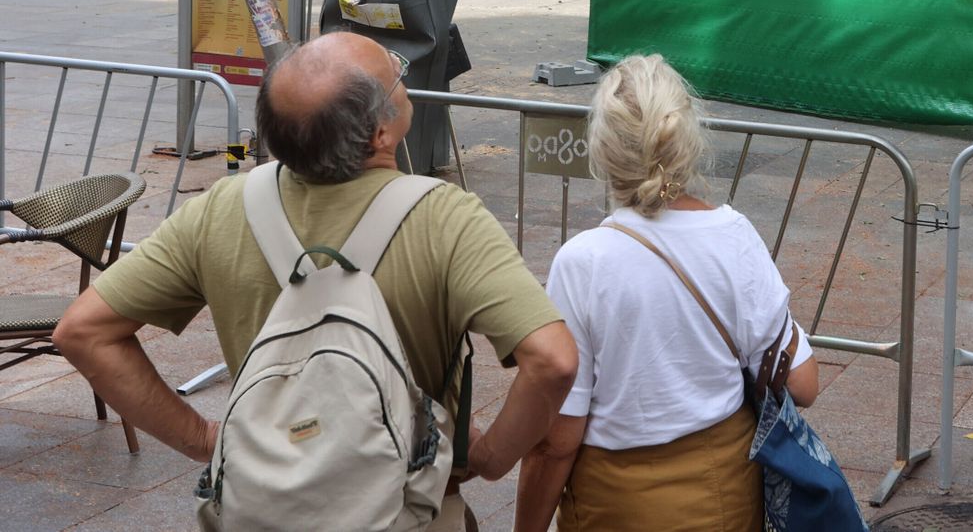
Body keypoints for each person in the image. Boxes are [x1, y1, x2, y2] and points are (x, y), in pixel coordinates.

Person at [53, 32, 579, 532]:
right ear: (380, 133)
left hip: (265, 507)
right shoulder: (446, 219)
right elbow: (553, 360)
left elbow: (83, 332)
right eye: (396, 73)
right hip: (406, 510)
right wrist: (486, 458)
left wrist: (207, 439)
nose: (402, 73)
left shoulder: (220, 209)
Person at [513, 55, 820, 532]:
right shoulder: (734, 235)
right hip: (728, 496)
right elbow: (803, 383)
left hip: (617, 504)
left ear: (602, 150)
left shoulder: (582, 261)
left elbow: (557, 441)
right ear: (688, 140)